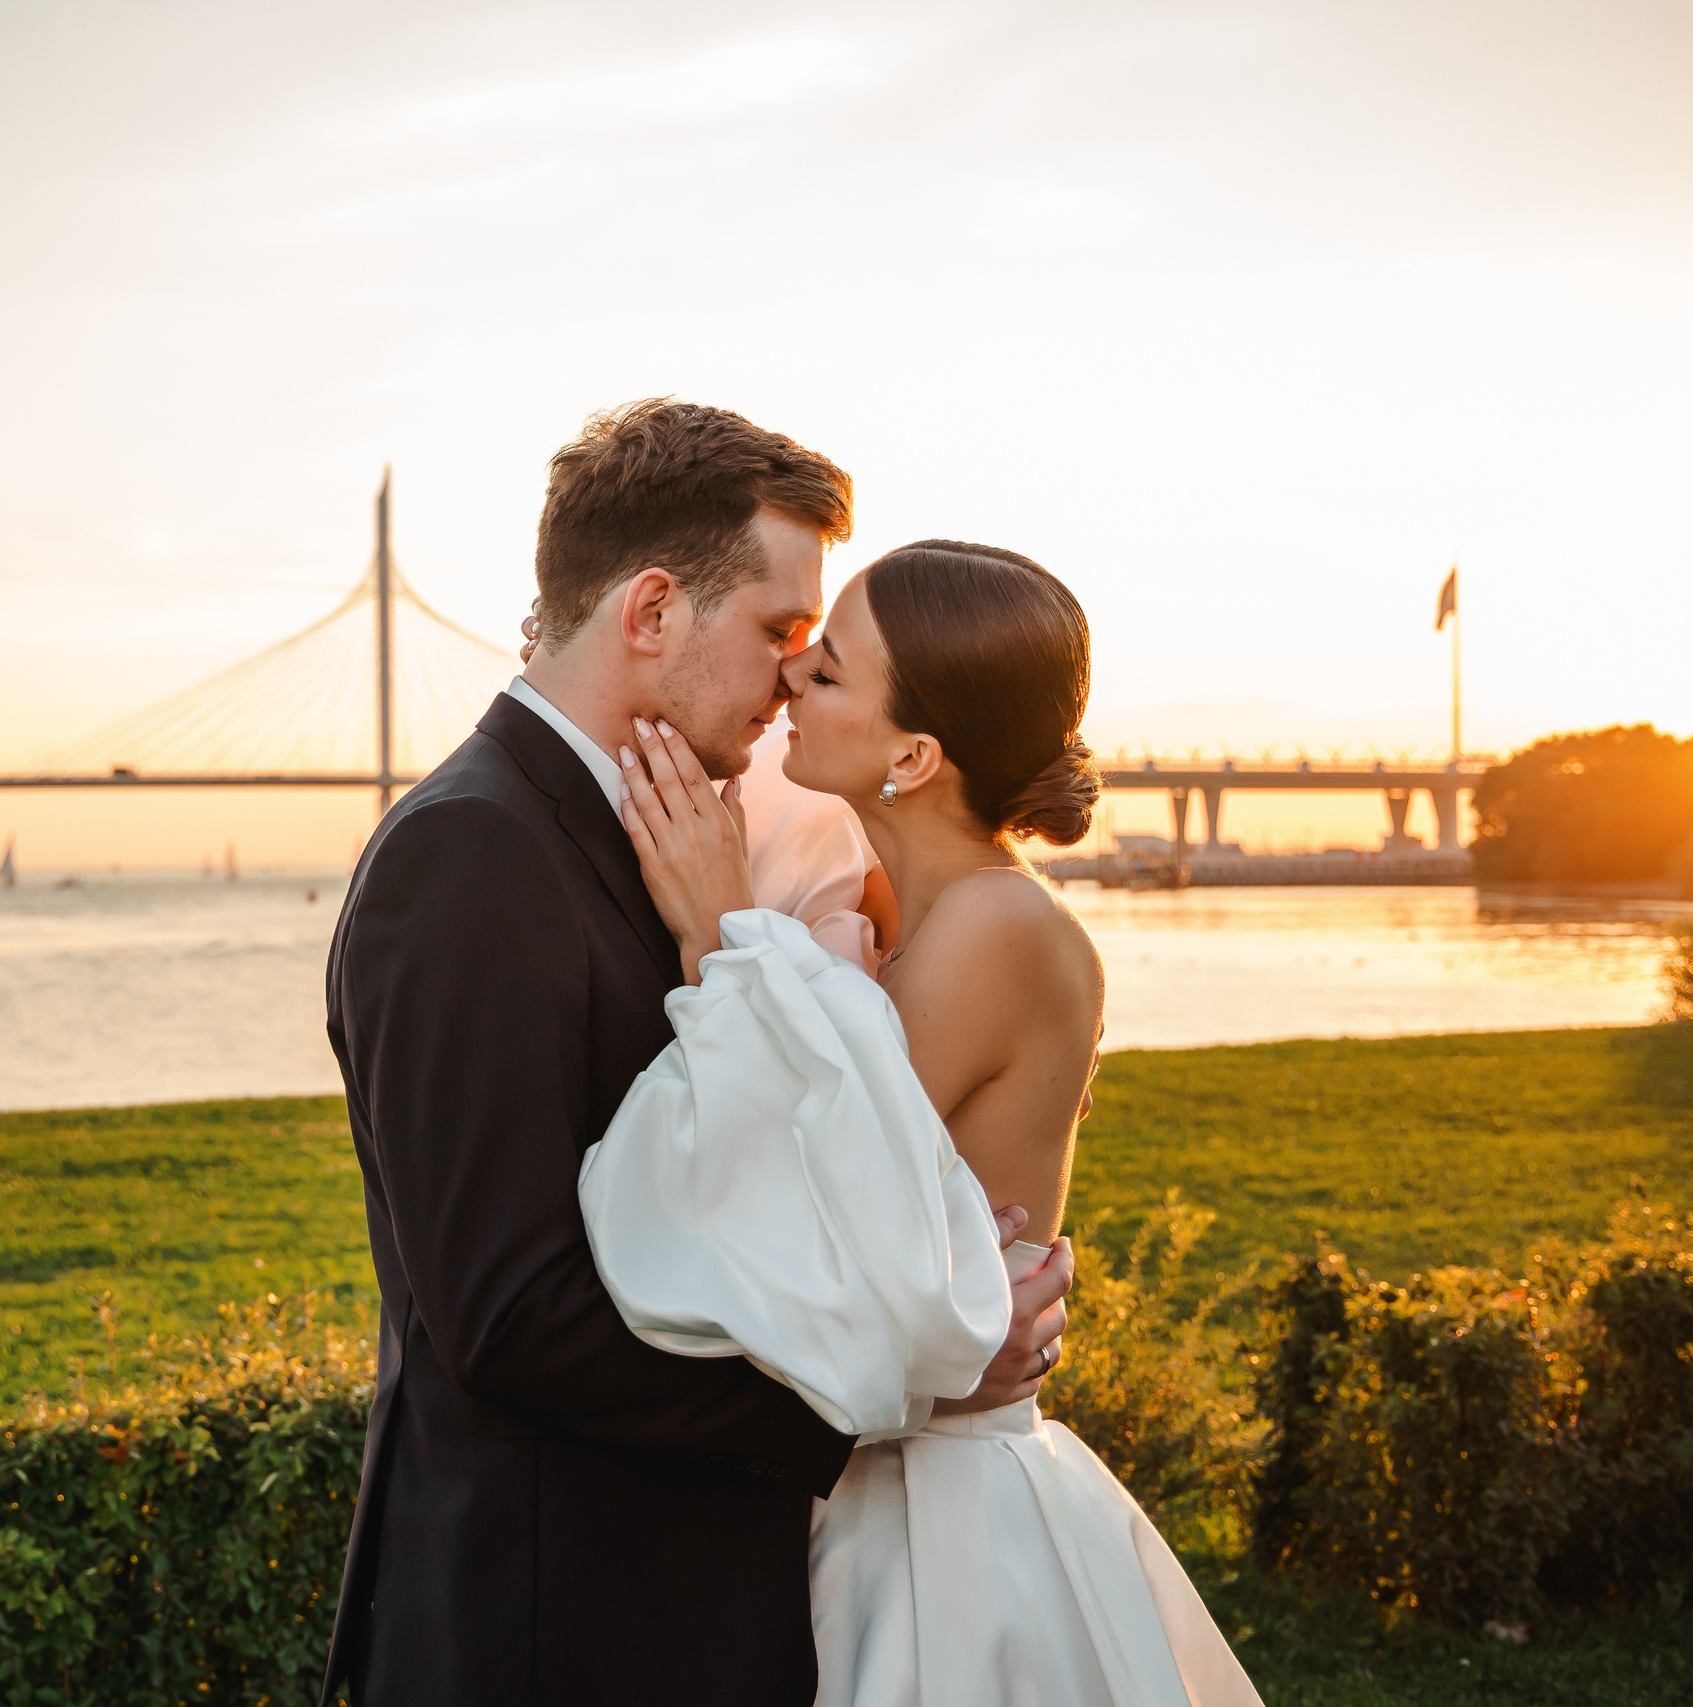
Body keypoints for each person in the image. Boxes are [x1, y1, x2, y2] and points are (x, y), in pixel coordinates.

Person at [319, 402, 1071, 1706]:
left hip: (682, 1608)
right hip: (555, 1629)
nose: (795, 674)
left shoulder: (659, 837)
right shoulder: (469, 855)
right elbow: (511, 1316)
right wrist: (882, 1390)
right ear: (653, 612)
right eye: (781, 629)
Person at [590, 540, 1262, 1705]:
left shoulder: (998, 927)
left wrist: (717, 939)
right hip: (862, 1480)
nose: (793, 677)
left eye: (833, 670)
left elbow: (800, 1195)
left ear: (913, 753)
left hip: (937, 1525)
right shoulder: (893, 917)